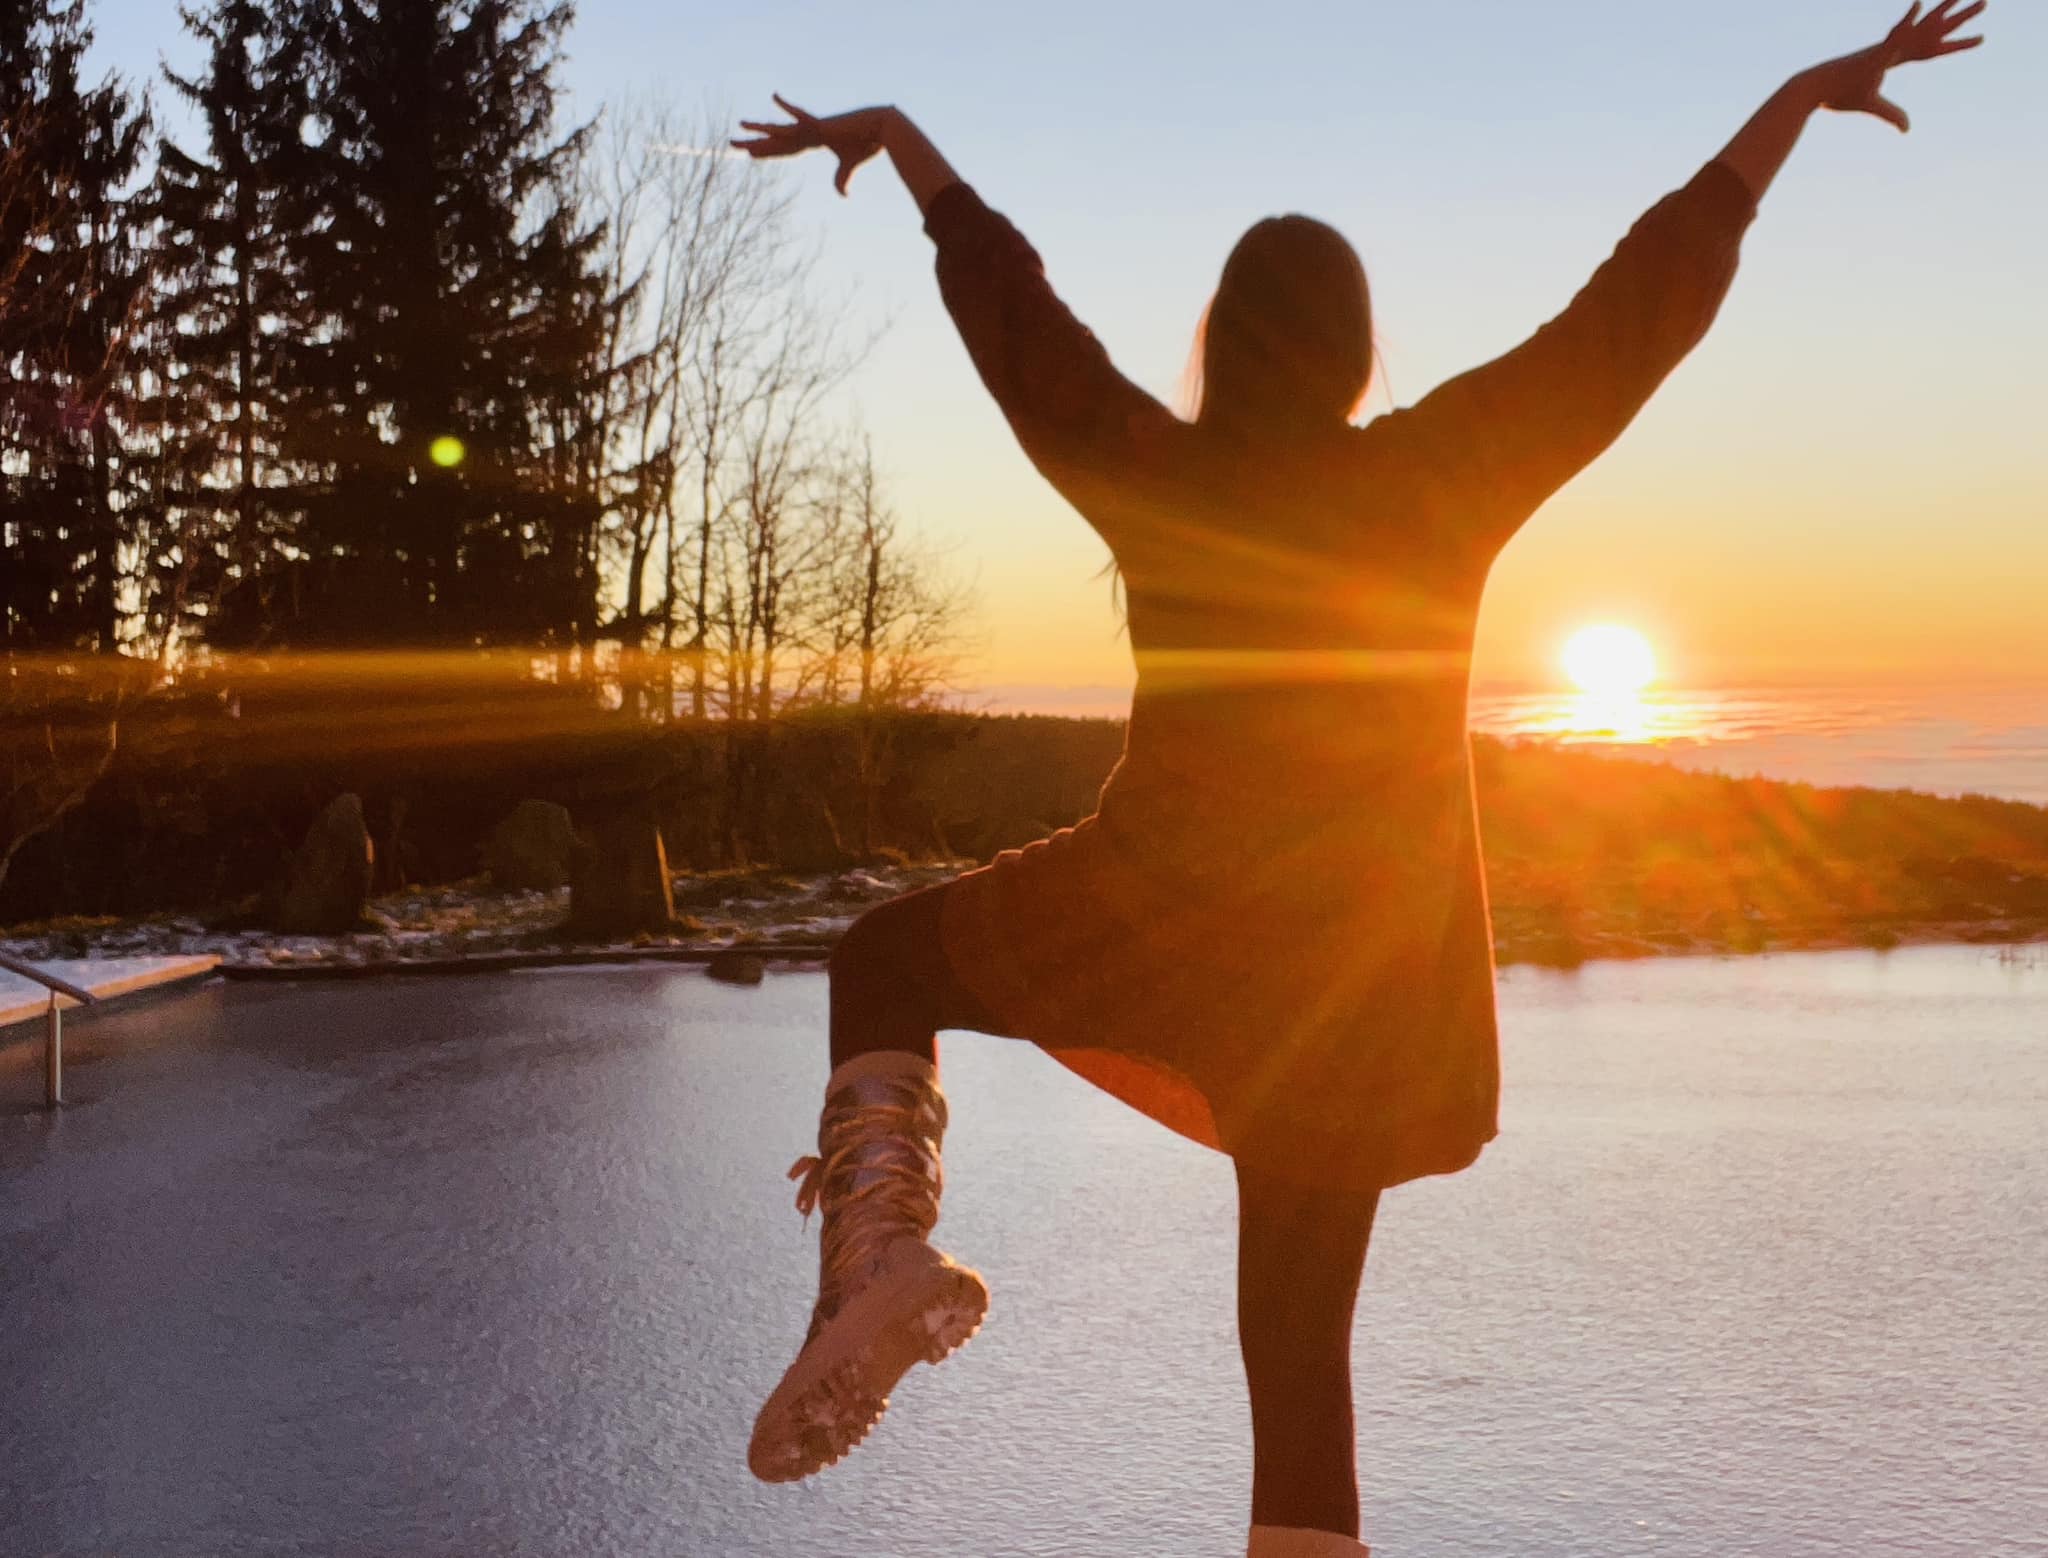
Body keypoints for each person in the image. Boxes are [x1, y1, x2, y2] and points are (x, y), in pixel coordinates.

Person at [730, 5, 1986, 1552]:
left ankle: (881, 1253)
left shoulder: (1154, 469)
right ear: (1350, 349)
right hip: (1353, 989)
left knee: (880, 957)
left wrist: (908, 140)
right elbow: (1638, 310)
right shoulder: (1432, 478)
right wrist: (1791, 100)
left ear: (1226, 340)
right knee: (1301, 1367)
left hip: (1165, 911)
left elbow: (1015, 319)